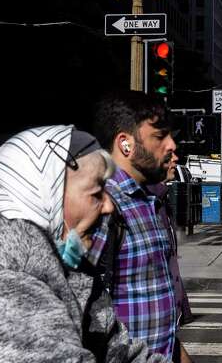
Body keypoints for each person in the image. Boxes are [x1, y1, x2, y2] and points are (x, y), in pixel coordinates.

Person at [0, 125, 166, 362]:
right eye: (96, 194)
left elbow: (119, 351)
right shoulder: (7, 278)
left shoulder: (73, 268)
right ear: (45, 194)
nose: (109, 206)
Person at [93, 91, 186, 361]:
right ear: (125, 144)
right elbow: (87, 317)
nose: (171, 145)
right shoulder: (102, 206)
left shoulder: (146, 201)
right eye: (159, 136)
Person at [145, 152, 194, 362]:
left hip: (165, 324)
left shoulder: (161, 201)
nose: (175, 158)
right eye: (167, 156)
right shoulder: (145, 203)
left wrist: (181, 304)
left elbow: (168, 261)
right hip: (148, 326)